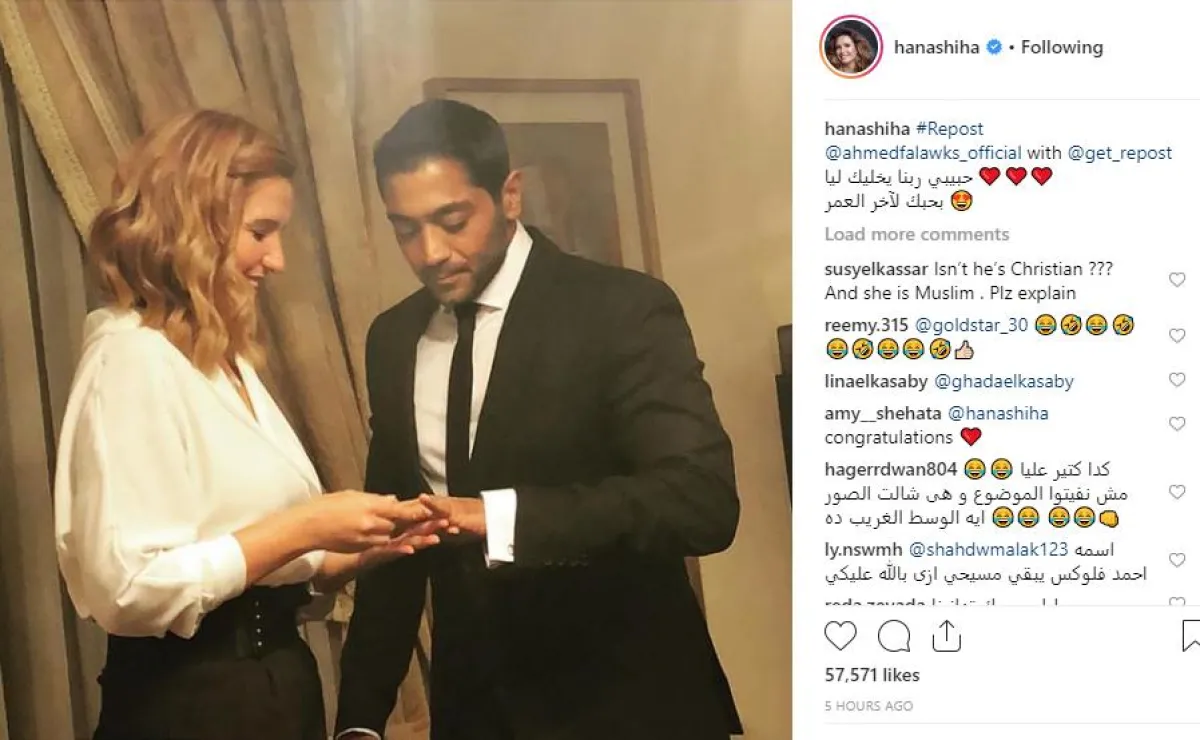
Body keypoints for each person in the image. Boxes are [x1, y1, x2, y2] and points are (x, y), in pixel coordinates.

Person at [335, 99, 742, 739]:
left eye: (452, 221)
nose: (430, 252)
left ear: (510, 195)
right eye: (405, 230)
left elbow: (701, 502)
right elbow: (399, 540)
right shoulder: (393, 338)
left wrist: (500, 518)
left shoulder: (620, 309)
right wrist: (358, 721)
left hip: (629, 707)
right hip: (475, 716)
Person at [53, 109, 449, 740]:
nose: (277, 259)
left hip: (271, 683)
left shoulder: (217, 358)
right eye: (260, 232)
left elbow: (242, 555)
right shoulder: (130, 359)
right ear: (192, 224)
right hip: (192, 701)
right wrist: (305, 526)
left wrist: (340, 554)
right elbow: (128, 588)